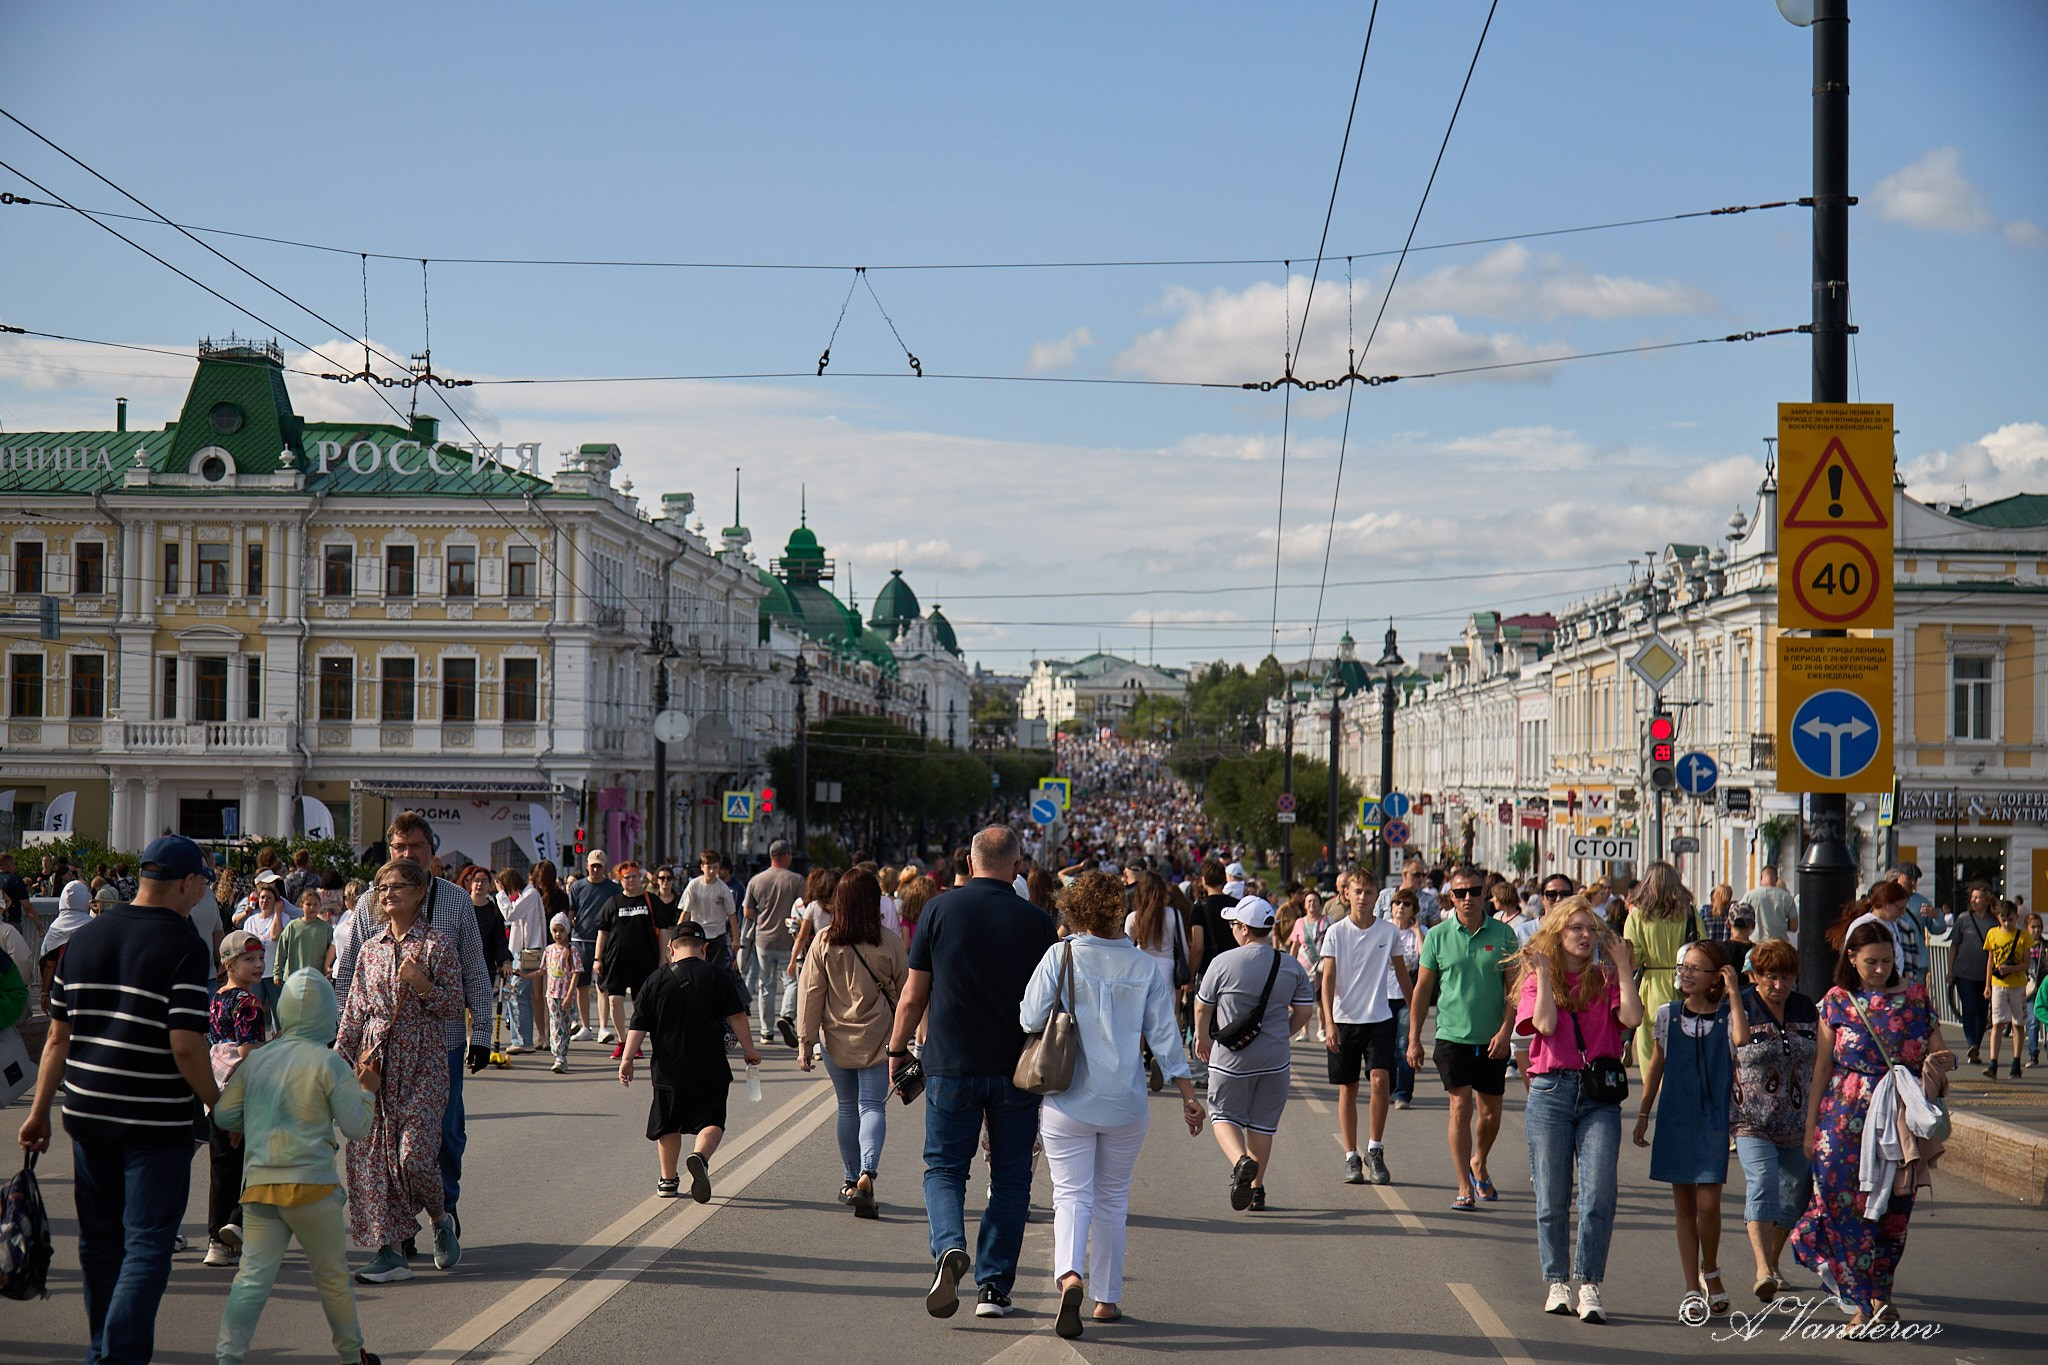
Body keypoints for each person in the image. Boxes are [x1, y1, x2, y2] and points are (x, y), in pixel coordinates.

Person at [15, 835, 219, 1365]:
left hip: (87, 1113)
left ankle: (103, 1346)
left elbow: (58, 1038)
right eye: (202, 882)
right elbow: (186, 1045)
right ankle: (117, 1356)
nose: (203, 892)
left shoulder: (83, 939)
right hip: (155, 1119)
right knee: (148, 1243)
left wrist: (39, 1112)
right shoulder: (185, 948)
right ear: (185, 883)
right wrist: (218, 1101)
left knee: (100, 1243)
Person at [887, 826, 1057, 1322]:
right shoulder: (1036, 922)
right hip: (1016, 1070)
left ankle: (948, 1250)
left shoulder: (939, 910)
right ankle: (994, 1289)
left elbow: (914, 995)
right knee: (1009, 1179)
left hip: (949, 1065)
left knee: (943, 1168)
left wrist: (897, 1050)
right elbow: (1047, 1004)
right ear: (1016, 865)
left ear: (970, 860)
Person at [1021, 872, 1200, 1339]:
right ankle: (1106, 1298)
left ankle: (1069, 1277)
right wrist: (1187, 1095)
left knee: (1071, 1194)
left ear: (1075, 910)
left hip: (1068, 1097)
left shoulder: (1060, 955)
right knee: (1112, 1199)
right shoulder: (1142, 967)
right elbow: (1165, 1036)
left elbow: (1028, 1016)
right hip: (1126, 1102)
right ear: (1119, 911)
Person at [332, 812, 494, 1249]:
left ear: (430, 852)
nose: (407, 855)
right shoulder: (371, 899)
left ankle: (445, 1205)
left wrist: (482, 1034)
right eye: (399, 849)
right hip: (380, 1050)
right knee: (382, 1141)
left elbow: (476, 973)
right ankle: (401, 1228)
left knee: (443, 1133)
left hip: (439, 1044)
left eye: (415, 848)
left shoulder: (456, 902)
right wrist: (338, 1047)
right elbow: (350, 976)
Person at [1791, 921, 1954, 1334]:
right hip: (1842, 1119)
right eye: (1871, 962)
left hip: (1898, 1120)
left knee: (1893, 1212)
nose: (1880, 969)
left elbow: (1938, 1051)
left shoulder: (1916, 999)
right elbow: (1822, 1066)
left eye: (1886, 961)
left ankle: (1881, 1295)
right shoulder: (1838, 1002)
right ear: (1851, 959)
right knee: (1843, 1206)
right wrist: (1811, 1126)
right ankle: (1863, 1302)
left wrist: (1938, 1065)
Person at [213, 968, 381, 1365]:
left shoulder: (258, 1061)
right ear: (328, 1014)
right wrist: (367, 1091)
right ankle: (351, 1355)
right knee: (333, 1280)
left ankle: (228, 1357)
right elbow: (357, 1127)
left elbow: (223, 1116)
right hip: (314, 1188)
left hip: (260, 1190)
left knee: (251, 1281)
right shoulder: (330, 1063)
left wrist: (249, 1122)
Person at [336, 857, 467, 1284]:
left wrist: (422, 983)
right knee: (372, 1158)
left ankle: (439, 1219)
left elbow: (452, 1006)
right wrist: (335, 1067)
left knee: (413, 1156)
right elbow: (354, 1013)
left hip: (423, 1061)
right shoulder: (370, 949)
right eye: (382, 888)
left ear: (418, 892)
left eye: (397, 886)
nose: (388, 894)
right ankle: (389, 1253)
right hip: (375, 1062)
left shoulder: (436, 945)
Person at [1514, 895, 1642, 1323]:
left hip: (1598, 1097)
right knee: (1551, 1197)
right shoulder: (1536, 980)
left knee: (1598, 1193)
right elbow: (1545, 1025)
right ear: (1558, 933)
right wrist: (1547, 974)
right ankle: (1557, 1281)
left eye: (1591, 929)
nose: (1586, 936)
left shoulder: (1605, 978)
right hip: (1550, 1091)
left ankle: (1588, 1282)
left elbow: (1633, 1018)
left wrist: (1623, 966)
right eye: (1576, 929)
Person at [1633, 941, 1749, 1319]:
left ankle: (1710, 1269)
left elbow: (1742, 1040)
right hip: (1675, 1117)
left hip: (1713, 1119)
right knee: (1684, 1205)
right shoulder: (1667, 1014)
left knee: (1708, 1203)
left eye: (1696, 968)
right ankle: (1690, 1287)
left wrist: (1734, 993)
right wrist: (1644, 1112)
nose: (1685, 973)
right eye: (1683, 966)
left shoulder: (1727, 1015)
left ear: (1717, 976)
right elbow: (1656, 1065)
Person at [618, 920, 761, 1201]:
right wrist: (750, 1050)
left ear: (671, 949)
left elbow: (639, 1023)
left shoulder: (655, 980)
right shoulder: (719, 976)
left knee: (668, 1124)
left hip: (668, 1070)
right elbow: (737, 1017)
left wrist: (627, 1059)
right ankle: (700, 1157)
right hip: (710, 1067)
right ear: (704, 948)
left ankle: (668, 1180)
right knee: (712, 1122)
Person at [1193, 895, 1317, 1213]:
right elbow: (1304, 1011)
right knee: (1262, 1125)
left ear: (1245, 929)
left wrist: (1203, 1038)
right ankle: (1256, 1188)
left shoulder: (1223, 962)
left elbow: (1202, 1005)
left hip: (1231, 1057)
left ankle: (1241, 1161)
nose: (1233, 929)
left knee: (1222, 1115)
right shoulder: (1290, 966)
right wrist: (1283, 1034)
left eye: (1235, 924)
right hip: (1275, 1059)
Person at [1406, 865, 1519, 1210]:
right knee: (1460, 1106)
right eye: (1460, 893)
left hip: (1492, 1038)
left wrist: (1505, 1031)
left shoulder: (1503, 935)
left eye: (1474, 891)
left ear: (1486, 894)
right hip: (1451, 1035)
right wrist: (1413, 1038)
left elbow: (1513, 990)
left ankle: (1478, 1162)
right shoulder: (1438, 935)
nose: (1468, 898)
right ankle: (1462, 1186)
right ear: (1450, 897)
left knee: (1490, 1113)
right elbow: (1422, 991)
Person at [796, 867, 907, 1216]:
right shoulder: (888, 941)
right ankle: (867, 1172)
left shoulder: (825, 940)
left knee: (846, 1106)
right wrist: (914, 1038)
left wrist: (805, 1041)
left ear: (839, 903)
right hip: (878, 1036)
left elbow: (811, 993)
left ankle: (848, 1178)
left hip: (834, 1038)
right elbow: (907, 993)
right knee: (872, 1105)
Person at [1731, 937, 1817, 1303]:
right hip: (1752, 1117)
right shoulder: (1743, 1007)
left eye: (1785, 976)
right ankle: (1762, 1269)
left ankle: (1774, 1259)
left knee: (1795, 1196)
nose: (1778, 984)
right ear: (1754, 976)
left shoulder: (1805, 1008)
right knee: (1763, 1181)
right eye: (1770, 976)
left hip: (1798, 1120)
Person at [1320, 868, 1412, 1187]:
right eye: (1357, 891)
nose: (1362, 897)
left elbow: (1402, 975)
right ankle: (1350, 1155)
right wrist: (1328, 1022)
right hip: (1345, 1020)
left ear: (1377, 897)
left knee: (1379, 1080)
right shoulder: (1336, 932)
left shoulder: (1388, 933)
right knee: (1348, 1088)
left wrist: (1414, 1017)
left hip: (1379, 1017)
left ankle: (1374, 1148)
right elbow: (1328, 980)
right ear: (1347, 894)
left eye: (1368, 892)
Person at [206, 931, 270, 1268]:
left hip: (214, 1092)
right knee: (257, 1164)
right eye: (249, 959)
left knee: (222, 1167)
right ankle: (236, 1224)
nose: (258, 964)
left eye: (260, 958)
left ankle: (217, 1240)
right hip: (243, 1094)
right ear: (229, 963)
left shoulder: (218, 998)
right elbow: (249, 1055)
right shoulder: (248, 1003)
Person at [1622, 862, 1708, 1075]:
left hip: (1651, 987)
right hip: (1686, 986)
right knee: (1683, 1053)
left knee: (1651, 1054)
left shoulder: (1637, 916)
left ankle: (1654, 1098)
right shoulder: (1690, 914)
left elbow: (1633, 957)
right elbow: (1703, 947)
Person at [593, 862, 662, 1061]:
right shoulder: (613, 902)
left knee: (641, 1004)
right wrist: (598, 958)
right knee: (614, 1001)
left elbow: (663, 930)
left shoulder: (650, 901)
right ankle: (623, 1041)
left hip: (644, 961)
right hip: (616, 961)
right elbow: (603, 932)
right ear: (620, 880)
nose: (630, 880)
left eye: (633, 876)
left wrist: (662, 959)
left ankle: (636, 1043)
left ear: (639, 877)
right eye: (626, 877)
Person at [743, 839, 805, 1046]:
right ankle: (786, 1016)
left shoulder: (756, 880)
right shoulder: (796, 880)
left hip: (763, 939)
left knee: (766, 985)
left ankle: (766, 1032)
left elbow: (748, 912)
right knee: (791, 981)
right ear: (786, 855)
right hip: (789, 939)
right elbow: (803, 910)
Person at [1944, 881, 1998, 1064]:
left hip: (1986, 975)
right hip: (1964, 972)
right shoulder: (1963, 919)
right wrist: (1950, 970)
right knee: (1970, 1007)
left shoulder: (1994, 921)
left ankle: (1976, 1045)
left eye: (1978, 897)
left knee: (1983, 1012)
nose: (1974, 901)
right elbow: (1954, 946)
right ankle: (1971, 1043)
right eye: (1972, 897)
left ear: (1986, 899)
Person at [569, 849, 620, 1040]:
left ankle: (603, 1027)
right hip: (580, 940)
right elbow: (571, 913)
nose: (595, 870)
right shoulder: (577, 887)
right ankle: (585, 1026)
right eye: (593, 866)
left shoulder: (613, 889)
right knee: (581, 986)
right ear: (587, 866)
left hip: (605, 942)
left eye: (599, 866)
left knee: (602, 986)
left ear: (604, 867)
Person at [1982, 898, 2033, 1079]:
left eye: (2010, 919)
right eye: (2003, 919)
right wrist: (1987, 985)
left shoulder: (2023, 936)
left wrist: (2011, 968)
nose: (2007, 923)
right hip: (1998, 985)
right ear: (1998, 918)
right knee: (1997, 1022)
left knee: (2018, 1023)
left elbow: (2026, 963)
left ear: (2016, 918)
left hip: (2017, 985)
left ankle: (2016, 1061)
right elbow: (1990, 960)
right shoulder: (1992, 934)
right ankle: (1993, 1063)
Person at [497, 867, 546, 1054]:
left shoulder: (530, 894)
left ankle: (523, 1039)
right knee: (518, 994)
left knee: (517, 994)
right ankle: (522, 1038)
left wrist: (501, 894)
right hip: (523, 951)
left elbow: (509, 915)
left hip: (527, 952)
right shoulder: (528, 894)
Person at [1844, 880, 1926, 989]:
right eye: (1899, 908)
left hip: (1890, 987)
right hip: (1867, 989)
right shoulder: (1862, 924)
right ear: (1885, 903)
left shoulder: (1894, 924)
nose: (1902, 913)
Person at [1385, 888, 1425, 1109]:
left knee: (1404, 1044)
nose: (1400, 907)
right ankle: (1389, 1088)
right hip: (1383, 995)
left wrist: (1418, 930)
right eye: (1397, 903)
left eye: (1406, 904)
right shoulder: (1383, 930)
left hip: (1408, 997)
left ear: (1413, 910)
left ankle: (1403, 1093)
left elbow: (1424, 956)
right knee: (1387, 1046)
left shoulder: (1418, 932)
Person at [542, 913, 582, 1074]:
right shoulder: (549, 950)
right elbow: (542, 971)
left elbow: (576, 973)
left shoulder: (571, 951)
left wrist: (569, 995)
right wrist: (523, 974)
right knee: (554, 1024)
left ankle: (561, 1055)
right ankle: (558, 1055)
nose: (558, 934)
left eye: (561, 930)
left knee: (564, 1026)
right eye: (555, 930)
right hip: (552, 994)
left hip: (565, 995)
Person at [277, 889, 337, 988]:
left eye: (315, 904)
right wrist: (277, 973)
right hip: (294, 978)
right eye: (308, 904)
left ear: (320, 905)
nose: (312, 907)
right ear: (301, 906)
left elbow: (332, 951)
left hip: (316, 978)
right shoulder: (292, 927)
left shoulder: (326, 928)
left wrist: (329, 969)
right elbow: (281, 951)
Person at [1739, 865, 1799, 946]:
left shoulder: (1749, 896)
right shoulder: (1787, 897)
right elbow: (1794, 927)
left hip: (1756, 943)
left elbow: (1741, 917)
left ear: (1761, 877)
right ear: (1777, 879)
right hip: (1779, 945)